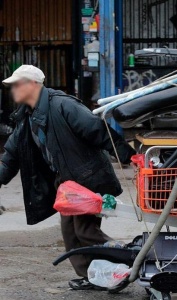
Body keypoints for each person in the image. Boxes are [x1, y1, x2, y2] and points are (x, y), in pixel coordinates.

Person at [0, 65, 136, 290]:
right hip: (67, 185)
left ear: (32, 84)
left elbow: (97, 130)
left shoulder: (63, 105)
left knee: (85, 230)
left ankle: (131, 258)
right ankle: (94, 276)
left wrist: (128, 155)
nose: (12, 90)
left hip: (89, 179)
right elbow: (9, 158)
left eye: (16, 84)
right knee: (71, 234)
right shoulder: (26, 118)